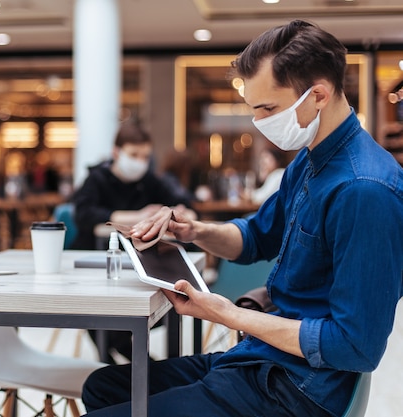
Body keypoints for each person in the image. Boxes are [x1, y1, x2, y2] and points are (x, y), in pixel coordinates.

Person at [81, 20, 403, 417]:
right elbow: (255, 237)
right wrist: (194, 230)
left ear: (317, 95)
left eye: (269, 109)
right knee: (104, 386)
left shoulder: (363, 190)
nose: (260, 122)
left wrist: (228, 314)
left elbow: (356, 347)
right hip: (262, 359)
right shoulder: (309, 161)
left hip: (295, 390)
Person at [71, 120, 197, 364]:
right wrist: (137, 216)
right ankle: (140, 368)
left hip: (139, 266)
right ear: (116, 152)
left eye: (145, 156)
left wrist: (174, 213)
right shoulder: (97, 179)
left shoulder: (149, 180)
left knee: (139, 314)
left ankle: (133, 369)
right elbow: (83, 215)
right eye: (133, 154)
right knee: (106, 319)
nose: (140, 161)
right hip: (94, 263)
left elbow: (186, 206)